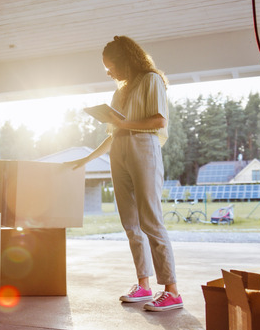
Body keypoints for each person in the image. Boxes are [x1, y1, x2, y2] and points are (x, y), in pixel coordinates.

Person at [68, 36, 182, 312]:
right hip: (119, 148)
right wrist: (86, 159)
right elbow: (114, 132)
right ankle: (143, 284)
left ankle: (172, 291)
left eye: (110, 66)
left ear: (125, 59)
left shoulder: (151, 80)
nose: (108, 72)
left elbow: (159, 120)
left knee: (150, 220)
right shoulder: (119, 91)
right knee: (130, 222)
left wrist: (123, 122)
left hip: (144, 146)